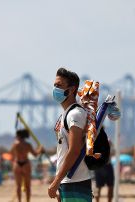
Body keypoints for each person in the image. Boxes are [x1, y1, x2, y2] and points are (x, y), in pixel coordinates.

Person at [48, 67, 92, 202]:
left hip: (76, 182)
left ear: (72, 89)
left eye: (59, 85)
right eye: (55, 85)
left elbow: (74, 150)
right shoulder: (66, 114)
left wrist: (56, 181)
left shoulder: (75, 115)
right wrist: (60, 183)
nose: (55, 89)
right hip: (68, 182)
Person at [10, 129, 43, 202]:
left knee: (18, 186)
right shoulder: (28, 145)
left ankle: (19, 201)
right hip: (26, 164)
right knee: (27, 186)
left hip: (17, 164)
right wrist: (40, 149)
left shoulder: (15, 144)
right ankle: (27, 201)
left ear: (19, 136)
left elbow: (11, 154)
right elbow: (35, 154)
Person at [94, 138, 114, 202]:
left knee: (100, 187)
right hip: (103, 165)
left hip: (101, 165)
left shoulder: (94, 140)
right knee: (106, 186)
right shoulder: (107, 140)